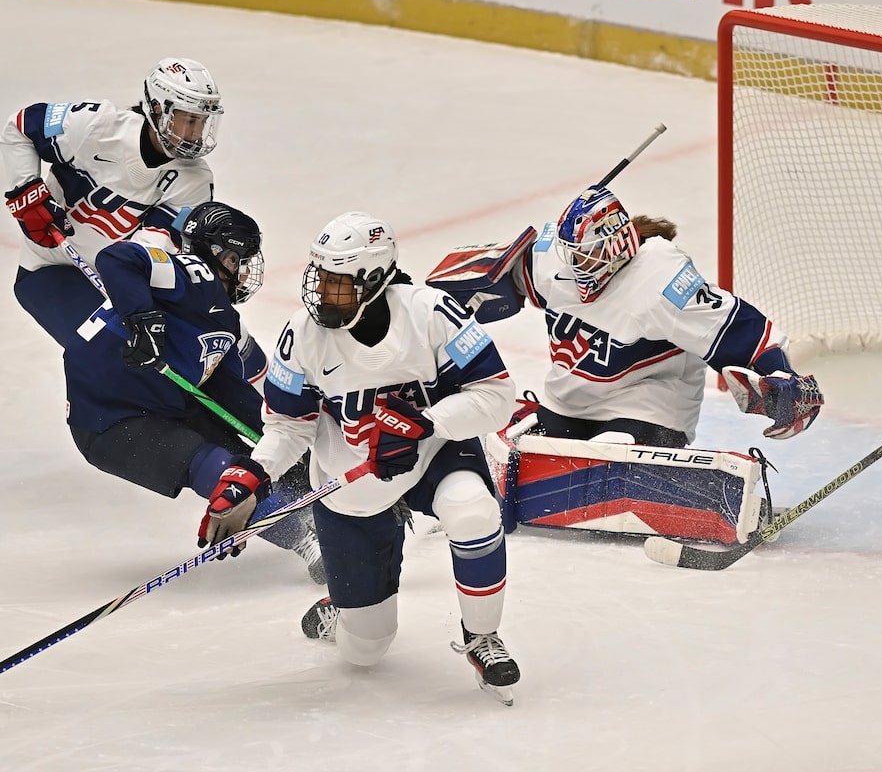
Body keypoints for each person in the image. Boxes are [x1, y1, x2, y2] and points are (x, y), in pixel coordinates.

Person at [206, 212, 520, 701]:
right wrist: (248, 476)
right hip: (350, 481)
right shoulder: (302, 336)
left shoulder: (432, 314)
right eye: (320, 277)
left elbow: (497, 395)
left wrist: (425, 425)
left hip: (434, 452)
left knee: (473, 509)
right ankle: (344, 610)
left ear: (375, 280)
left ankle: (482, 636)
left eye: (336, 282)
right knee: (366, 651)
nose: (320, 293)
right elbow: (289, 426)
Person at [428, 185, 824, 448]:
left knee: (608, 454)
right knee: (519, 444)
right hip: (569, 402)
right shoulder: (552, 260)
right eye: (573, 254)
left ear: (619, 245)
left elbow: (745, 331)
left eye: (589, 255)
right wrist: (446, 297)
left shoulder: (661, 281)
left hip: (649, 406)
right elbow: (496, 283)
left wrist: (782, 380)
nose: (580, 265)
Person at [68, 201, 324, 582]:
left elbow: (233, 395)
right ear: (220, 254)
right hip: (110, 420)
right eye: (240, 260)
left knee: (251, 462)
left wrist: (295, 441)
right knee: (218, 469)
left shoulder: (226, 320)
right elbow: (117, 257)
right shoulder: (191, 274)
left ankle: (325, 511)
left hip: (170, 402)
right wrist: (143, 322)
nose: (244, 273)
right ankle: (304, 537)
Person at [0, 57, 221, 349]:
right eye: (190, 120)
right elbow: (20, 128)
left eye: (202, 122)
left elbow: (150, 248)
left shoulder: (194, 181)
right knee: (103, 355)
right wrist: (27, 193)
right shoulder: (97, 126)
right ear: (158, 109)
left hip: (110, 282)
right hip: (47, 269)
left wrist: (135, 301)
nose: (196, 134)